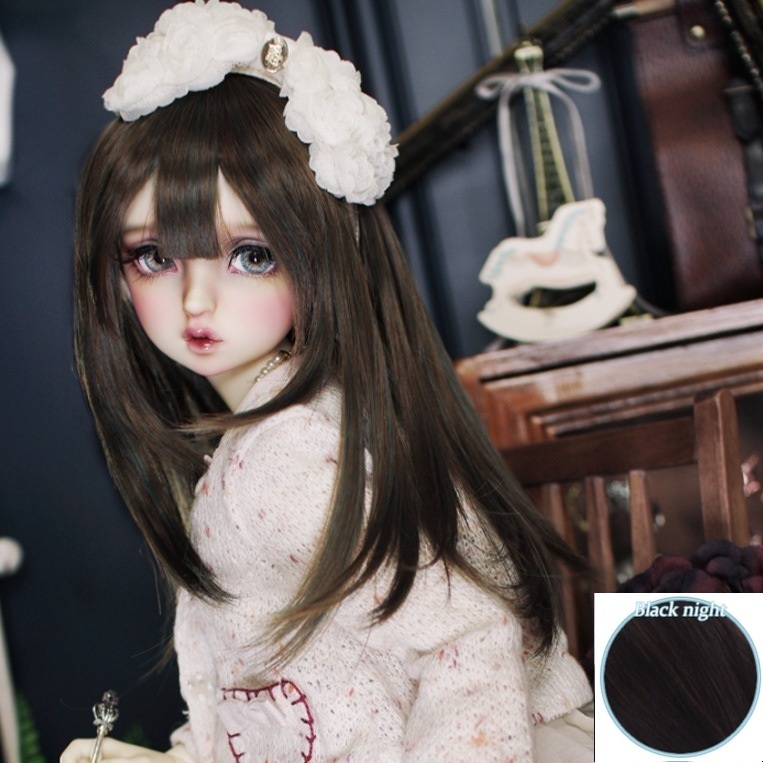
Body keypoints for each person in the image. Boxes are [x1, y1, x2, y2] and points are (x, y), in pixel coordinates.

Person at [61, 2, 594, 760]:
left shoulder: (292, 456)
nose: (196, 300)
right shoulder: (268, 439)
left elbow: (469, 636)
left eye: (250, 255)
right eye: (154, 257)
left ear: (318, 252)